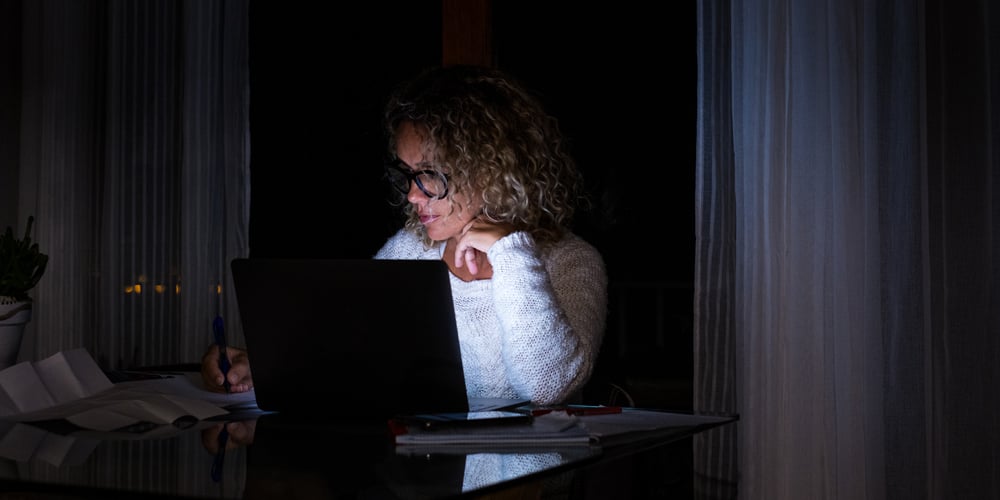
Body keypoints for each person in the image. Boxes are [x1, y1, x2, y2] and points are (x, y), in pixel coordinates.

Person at [201, 64, 607, 406]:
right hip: (420, 475)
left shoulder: (570, 261)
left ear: (490, 170)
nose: (413, 194)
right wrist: (258, 364)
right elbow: (346, 351)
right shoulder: (411, 249)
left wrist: (511, 252)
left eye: (429, 173)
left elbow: (546, 386)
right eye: (409, 174)